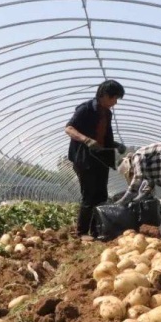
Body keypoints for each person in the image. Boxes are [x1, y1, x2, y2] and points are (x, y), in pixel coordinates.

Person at [65, 80, 127, 236]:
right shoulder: (85, 109)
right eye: (114, 98)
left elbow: (105, 139)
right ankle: (81, 232)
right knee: (89, 195)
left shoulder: (107, 113)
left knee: (101, 195)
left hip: (100, 159)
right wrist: (86, 140)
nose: (115, 103)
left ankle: (96, 230)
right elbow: (69, 128)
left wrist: (116, 145)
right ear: (105, 95)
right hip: (84, 159)